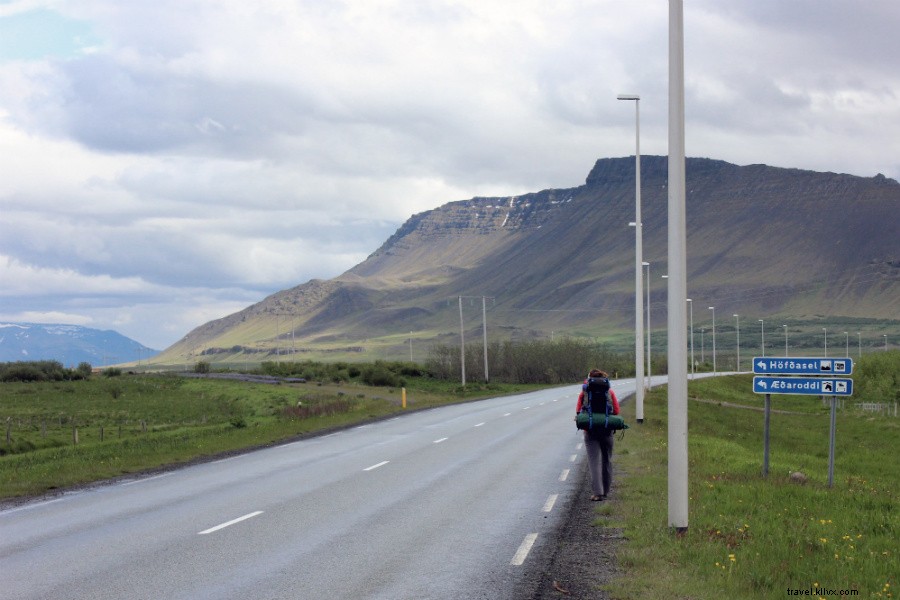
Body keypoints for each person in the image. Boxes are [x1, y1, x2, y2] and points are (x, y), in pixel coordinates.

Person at [575, 369, 621, 501]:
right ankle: (605, 491)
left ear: (589, 379)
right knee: (607, 460)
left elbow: (578, 411)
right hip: (607, 430)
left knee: (594, 461)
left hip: (590, 431)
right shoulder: (609, 391)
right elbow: (616, 411)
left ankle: (597, 493)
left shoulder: (585, 392)